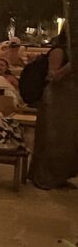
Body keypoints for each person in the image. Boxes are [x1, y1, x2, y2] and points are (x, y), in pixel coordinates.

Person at [30, 30, 76, 189]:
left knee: (65, 140)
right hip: (55, 101)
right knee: (52, 139)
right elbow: (52, 76)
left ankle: (61, 175)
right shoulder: (58, 51)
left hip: (67, 102)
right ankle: (46, 176)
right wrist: (70, 67)